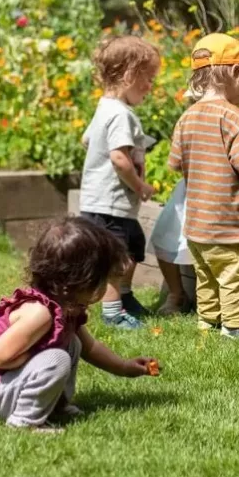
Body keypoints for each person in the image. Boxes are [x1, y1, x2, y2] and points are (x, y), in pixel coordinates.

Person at [0, 217, 160, 431]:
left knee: (72, 344)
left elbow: (90, 348)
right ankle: (24, 421)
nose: (104, 289)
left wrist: (124, 367)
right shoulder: (39, 314)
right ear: (78, 281)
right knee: (57, 357)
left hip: (12, 383)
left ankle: (56, 405)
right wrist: (41, 355)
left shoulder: (68, 308)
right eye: (101, 282)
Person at [168, 33, 239, 338]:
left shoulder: (186, 117)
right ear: (235, 72)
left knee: (206, 275)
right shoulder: (234, 116)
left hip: (196, 223)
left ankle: (207, 321)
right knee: (233, 274)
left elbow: (175, 163)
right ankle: (235, 326)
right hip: (228, 222)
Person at [151, 117, 239, 316]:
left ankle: (223, 311)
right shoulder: (192, 123)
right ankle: (177, 294)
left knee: (224, 258)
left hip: (225, 196)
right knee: (164, 236)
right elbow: (176, 161)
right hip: (192, 191)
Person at [79, 36, 160, 329]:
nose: (150, 87)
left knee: (134, 246)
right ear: (129, 76)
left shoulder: (105, 107)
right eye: (148, 79)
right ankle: (113, 312)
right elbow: (119, 159)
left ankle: (124, 297)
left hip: (107, 202)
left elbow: (86, 139)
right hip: (109, 203)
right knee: (115, 260)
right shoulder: (121, 115)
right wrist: (140, 186)